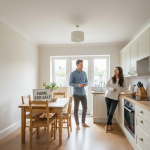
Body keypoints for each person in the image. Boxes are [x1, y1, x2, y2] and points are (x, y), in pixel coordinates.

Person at [105, 66, 135, 133]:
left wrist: (131, 92)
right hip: (108, 96)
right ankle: (110, 125)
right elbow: (106, 87)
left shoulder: (122, 81)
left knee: (111, 112)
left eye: (116, 70)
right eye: (114, 70)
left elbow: (126, 90)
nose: (115, 71)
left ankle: (106, 126)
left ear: (120, 72)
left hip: (115, 98)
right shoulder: (111, 78)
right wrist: (112, 89)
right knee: (108, 112)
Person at [69, 59, 90, 130]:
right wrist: (78, 85)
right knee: (76, 109)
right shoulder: (73, 73)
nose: (82, 66)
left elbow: (87, 81)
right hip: (76, 94)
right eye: (81, 65)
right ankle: (77, 124)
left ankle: (83, 122)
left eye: (82, 65)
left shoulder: (84, 73)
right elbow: (70, 83)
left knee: (85, 108)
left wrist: (86, 84)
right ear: (77, 65)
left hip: (83, 93)